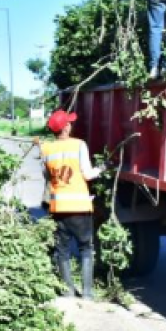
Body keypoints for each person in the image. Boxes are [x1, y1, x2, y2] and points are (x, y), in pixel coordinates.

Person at [40, 109, 101, 300]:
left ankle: (68, 292)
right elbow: (88, 174)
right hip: (79, 207)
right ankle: (88, 294)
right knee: (86, 248)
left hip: (58, 208)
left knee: (62, 250)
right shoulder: (79, 145)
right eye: (70, 122)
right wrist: (103, 168)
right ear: (66, 127)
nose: (71, 124)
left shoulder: (46, 149)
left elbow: (47, 176)